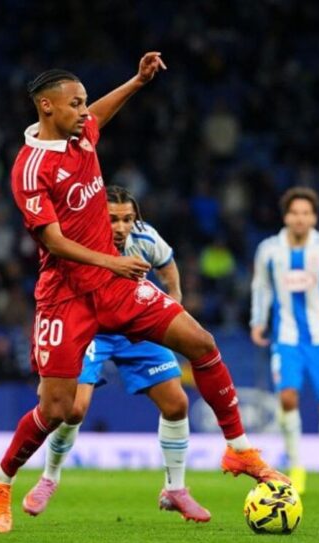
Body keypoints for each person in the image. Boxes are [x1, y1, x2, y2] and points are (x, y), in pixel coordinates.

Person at [0, 52, 287, 533]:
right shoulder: (30, 168)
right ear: (46, 106)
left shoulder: (81, 134)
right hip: (66, 296)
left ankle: (240, 449)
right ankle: (2, 480)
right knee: (58, 409)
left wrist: (138, 82)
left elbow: (102, 113)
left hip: (116, 288)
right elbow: (52, 240)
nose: (86, 112)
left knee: (202, 344)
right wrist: (113, 260)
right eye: (76, 104)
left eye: (85, 103)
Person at [23, 185, 210, 522]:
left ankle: (175, 489)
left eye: (127, 219)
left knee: (177, 403)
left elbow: (167, 267)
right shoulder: (78, 239)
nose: (121, 227)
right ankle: (49, 478)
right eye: (112, 219)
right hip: (89, 328)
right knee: (73, 409)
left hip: (134, 324)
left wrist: (174, 302)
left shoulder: (146, 238)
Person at [250, 187, 319, 499]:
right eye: (294, 213)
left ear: (314, 217)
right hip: (286, 339)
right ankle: (296, 466)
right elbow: (261, 287)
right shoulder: (269, 250)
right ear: (285, 216)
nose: (300, 218)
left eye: (306, 213)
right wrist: (257, 321)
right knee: (287, 398)